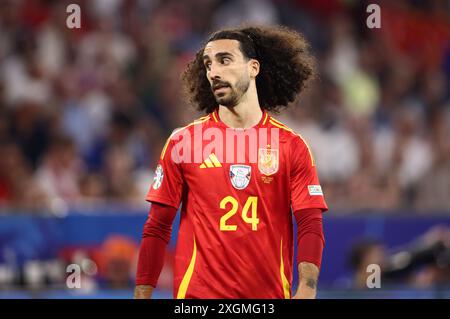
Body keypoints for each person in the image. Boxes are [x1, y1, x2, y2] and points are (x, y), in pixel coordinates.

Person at [134, 25, 328, 299]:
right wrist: (142, 294)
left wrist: (307, 290)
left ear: (253, 68)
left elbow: (309, 223)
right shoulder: (184, 143)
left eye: (224, 60)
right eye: (208, 64)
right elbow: (157, 226)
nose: (214, 71)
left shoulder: (291, 146)